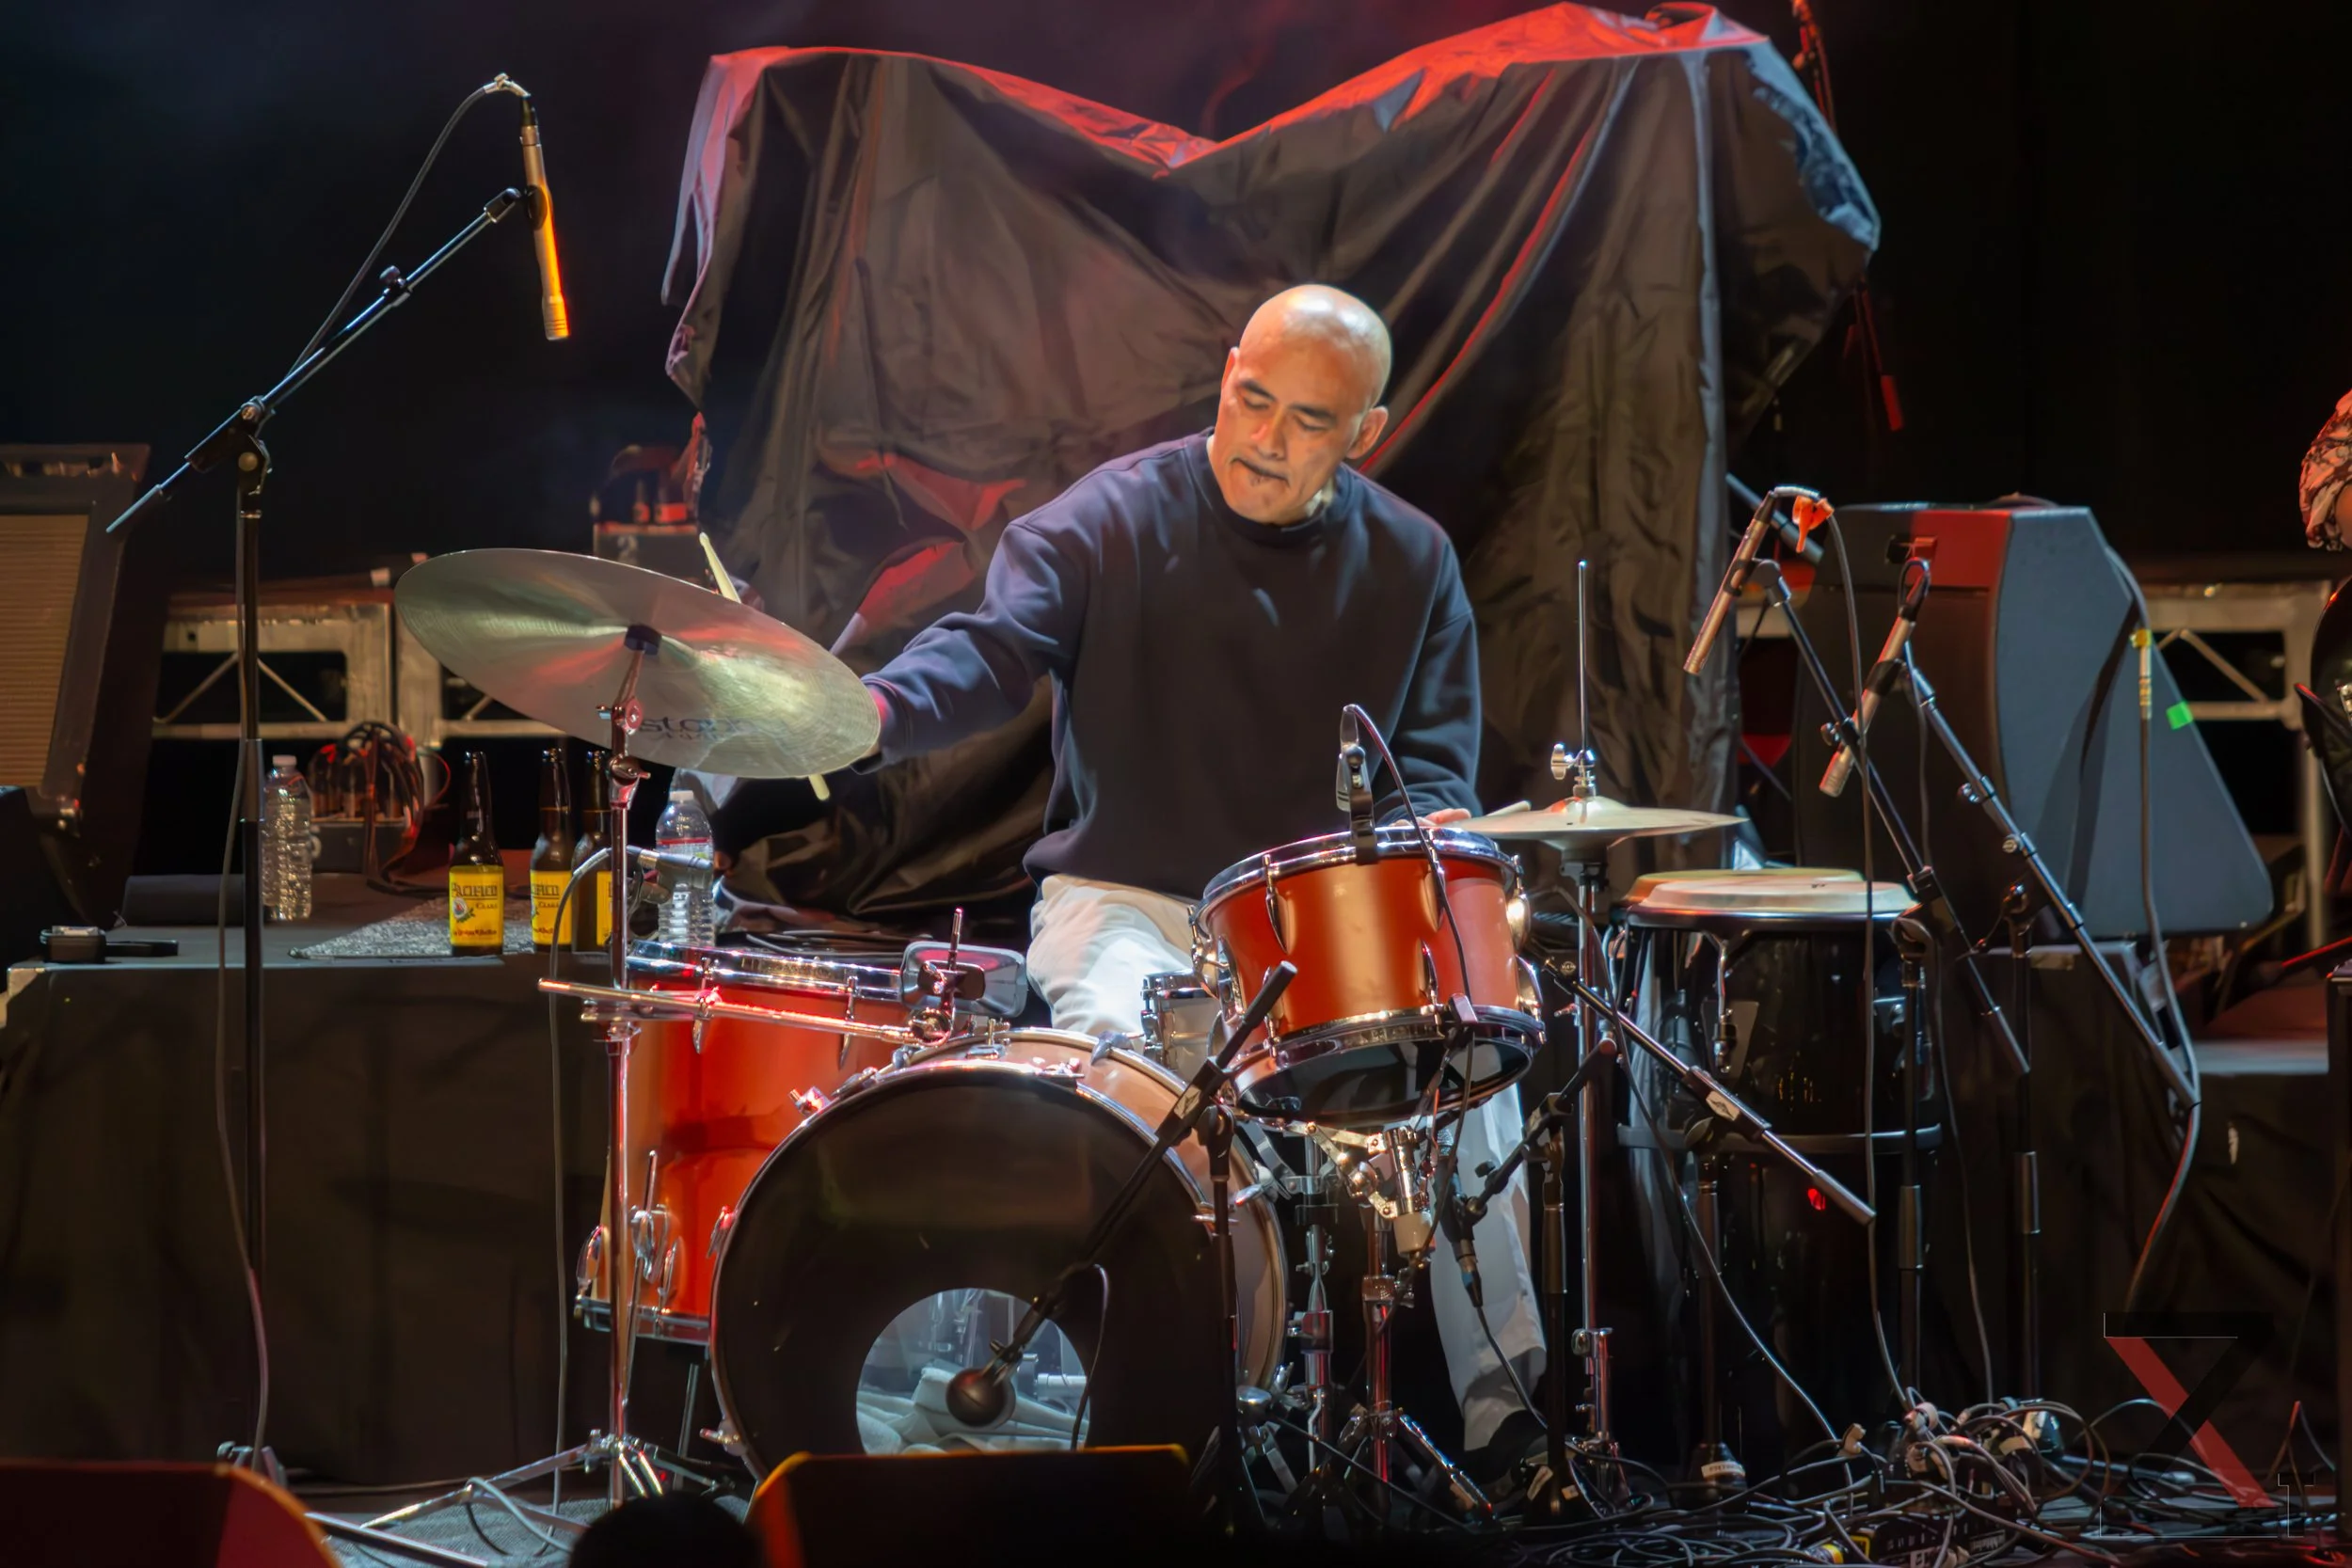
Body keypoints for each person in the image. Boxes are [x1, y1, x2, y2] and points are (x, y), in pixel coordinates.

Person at [857, 283, 1545, 1466]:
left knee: (1473, 1056)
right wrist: (865, 714)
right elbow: (989, 650)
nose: (1264, 438)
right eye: (1251, 399)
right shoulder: (1111, 515)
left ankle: (1507, 1418)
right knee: (1127, 1081)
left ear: (1366, 431)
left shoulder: (1414, 557)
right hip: (1123, 896)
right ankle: (1145, 1412)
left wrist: (1413, 854)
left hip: (1313, 925)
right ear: (1226, 375)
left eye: (1307, 421)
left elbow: (1432, 773)